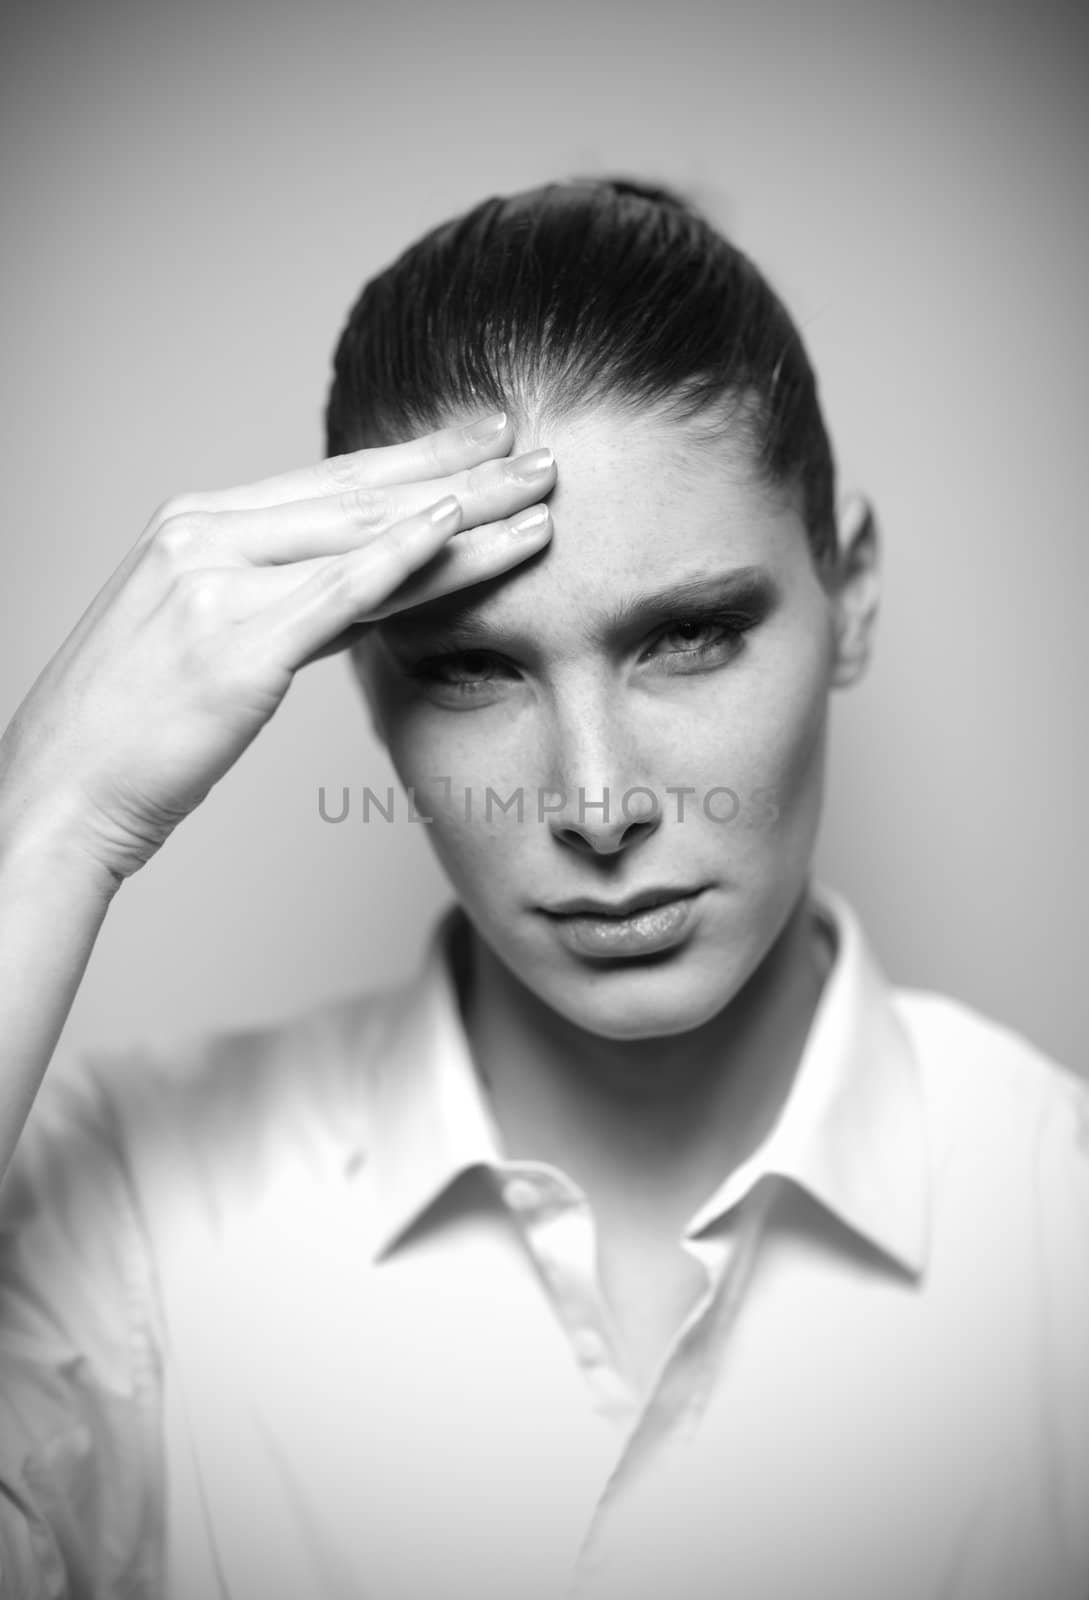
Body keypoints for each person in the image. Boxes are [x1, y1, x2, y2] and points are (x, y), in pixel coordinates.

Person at [0, 177, 1086, 1600]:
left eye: (687, 637)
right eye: (471, 668)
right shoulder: (128, 1209)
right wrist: (52, 816)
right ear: (362, 685)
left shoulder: (1061, 1226)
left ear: (851, 588)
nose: (594, 803)